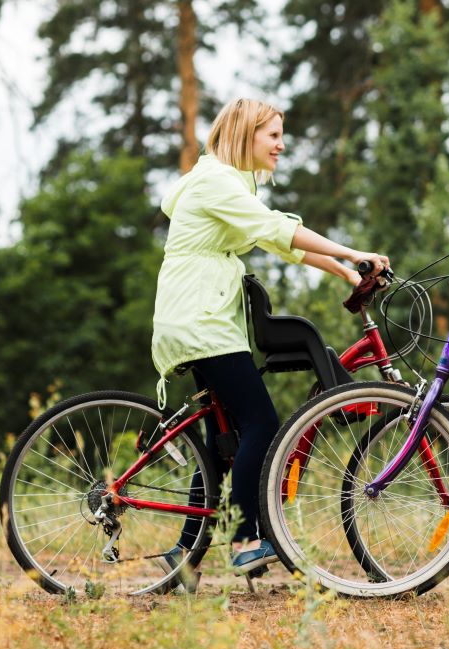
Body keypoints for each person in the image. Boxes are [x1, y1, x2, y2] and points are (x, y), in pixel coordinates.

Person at [151, 98, 389, 587]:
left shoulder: (229, 182)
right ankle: (243, 540)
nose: (282, 145)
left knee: (228, 441)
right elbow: (277, 228)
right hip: (201, 320)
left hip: (197, 315)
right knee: (261, 420)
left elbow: (281, 240)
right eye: (273, 135)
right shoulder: (216, 181)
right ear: (245, 134)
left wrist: (346, 270)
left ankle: (183, 552)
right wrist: (353, 251)